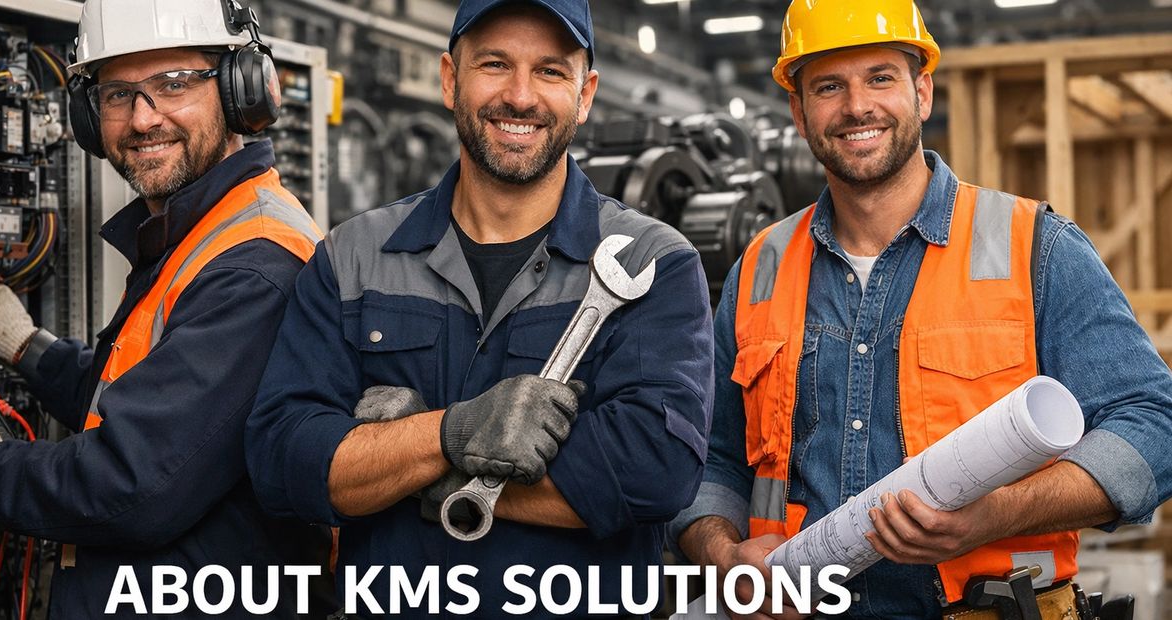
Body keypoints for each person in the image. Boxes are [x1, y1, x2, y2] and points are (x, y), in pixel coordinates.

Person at [671, 0, 1172, 618]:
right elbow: (709, 458)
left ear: (923, 92)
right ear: (799, 112)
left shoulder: (1033, 247)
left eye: (881, 77)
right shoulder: (760, 268)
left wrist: (999, 514)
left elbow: (1153, 426)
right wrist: (721, 555)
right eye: (829, 86)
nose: (858, 106)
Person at [244, 0, 713, 616]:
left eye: (550, 70)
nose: (520, 96)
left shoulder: (657, 262)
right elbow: (283, 461)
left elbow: (652, 470)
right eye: (494, 64)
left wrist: (403, 460)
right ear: (450, 78)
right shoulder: (352, 257)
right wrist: (448, 432)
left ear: (586, 92)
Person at [0, 0, 337, 616]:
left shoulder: (254, 265)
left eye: (174, 84)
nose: (143, 118)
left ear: (240, 91)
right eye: (119, 93)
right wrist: (29, 349)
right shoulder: (198, 230)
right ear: (91, 118)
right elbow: (149, 389)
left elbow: (130, 485)